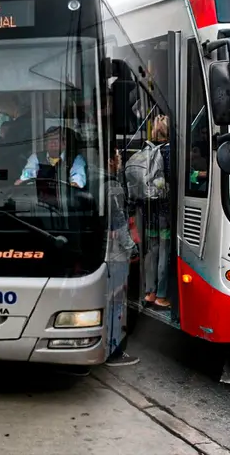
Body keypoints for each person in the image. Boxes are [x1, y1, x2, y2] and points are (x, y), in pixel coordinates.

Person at [104, 150, 140, 367]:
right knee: (117, 303)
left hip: (103, 253)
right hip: (116, 253)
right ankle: (114, 351)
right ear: (111, 161)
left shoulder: (94, 178)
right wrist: (132, 249)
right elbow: (118, 221)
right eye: (117, 158)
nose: (120, 162)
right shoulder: (113, 186)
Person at [143, 115, 171, 309]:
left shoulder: (146, 150)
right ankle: (161, 295)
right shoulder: (168, 151)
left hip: (149, 209)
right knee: (164, 251)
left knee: (151, 251)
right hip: (164, 208)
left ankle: (149, 293)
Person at [16, 126, 87, 188]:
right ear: (46, 143)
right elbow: (26, 177)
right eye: (50, 139)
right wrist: (24, 179)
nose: (53, 143)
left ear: (64, 143)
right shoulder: (36, 157)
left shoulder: (76, 159)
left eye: (56, 139)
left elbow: (77, 183)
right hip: (39, 198)